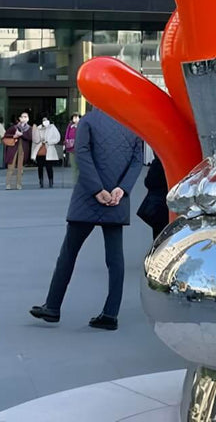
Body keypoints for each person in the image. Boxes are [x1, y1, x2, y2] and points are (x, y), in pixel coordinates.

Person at [29, 108, 143, 330]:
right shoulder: (132, 121)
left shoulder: (88, 121)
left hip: (88, 197)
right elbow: (137, 160)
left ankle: (52, 306)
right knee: (115, 259)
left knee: (69, 253)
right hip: (117, 200)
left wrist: (97, 189)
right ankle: (110, 314)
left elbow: (82, 155)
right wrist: (122, 189)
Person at [137, 155, 170, 239]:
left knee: (159, 238)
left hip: (159, 207)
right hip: (169, 205)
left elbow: (149, 181)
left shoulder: (160, 161)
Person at [30, 115, 62, 188]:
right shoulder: (38, 128)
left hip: (49, 149)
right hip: (40, 149)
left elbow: (57, 137)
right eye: (43, 120)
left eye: (46, 120)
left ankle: (51, 181)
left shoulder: (52, 127)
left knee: (49, 167)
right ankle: (41, 181)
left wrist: (49, 141)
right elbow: (35, 140)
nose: (45, 121)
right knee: (40, 167)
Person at [3, 112, 31, 190]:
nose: (24, 118)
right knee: (10, 167)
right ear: (20, 118)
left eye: (26, 117)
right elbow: (5, 136)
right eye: (23, 117)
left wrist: (21, 134)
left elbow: (30, 137)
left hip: (22, 149)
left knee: (20, 168)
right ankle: (8, 184)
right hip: (13, 148)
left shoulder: (29, 128)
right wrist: (14, 136)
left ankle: (19, 184)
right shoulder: (14, 127)